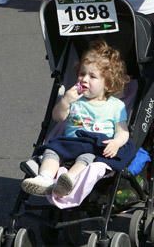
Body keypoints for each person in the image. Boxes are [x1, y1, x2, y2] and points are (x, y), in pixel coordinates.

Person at [21, 40, 130, 196]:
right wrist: (65, 101)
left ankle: (68, 180)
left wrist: (116, 143)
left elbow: (123, 131)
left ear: (107, 83)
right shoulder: (75, 99)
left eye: (92, 76)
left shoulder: (115, 106)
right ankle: (44, 179)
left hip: (95, 144)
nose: (84, 79)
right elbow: (58, 117)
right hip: (70, 142)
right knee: (52, 150)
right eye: (82, 73)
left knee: (88, 158)